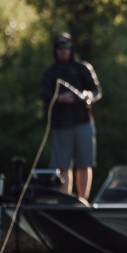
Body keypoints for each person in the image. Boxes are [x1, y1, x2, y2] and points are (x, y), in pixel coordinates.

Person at [40, 33, 102, 200]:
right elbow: (44, 94)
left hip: (83, 122)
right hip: (61, 125)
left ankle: (82, 200)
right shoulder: (50, 73)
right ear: (55, 50)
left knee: (85, 164)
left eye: (67, 47)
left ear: (71, 49)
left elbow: (97, 90)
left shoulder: (83, 68)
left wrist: (89, 95)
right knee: (63, 166)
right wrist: (60, 98)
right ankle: (64, 200)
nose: (64, 51)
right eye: (60, 48)